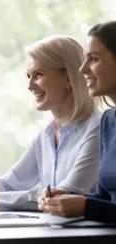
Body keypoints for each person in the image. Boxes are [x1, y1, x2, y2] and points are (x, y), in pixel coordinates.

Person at [0, 35, 100, 211]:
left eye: (38, 75)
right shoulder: (46, 133)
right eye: (28, 76)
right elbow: (11, 184)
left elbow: (64, 196)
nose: (30, 86)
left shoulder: (97, 128)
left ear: (68, 77)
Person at [39, 21, 116, 222]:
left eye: (94, 59)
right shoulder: (109, 121)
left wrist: (85, 206)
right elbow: (105, 198)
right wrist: (69, 199)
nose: (82, 69)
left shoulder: (97, 123)